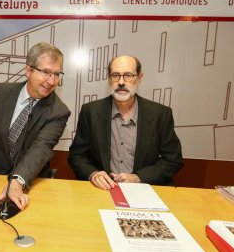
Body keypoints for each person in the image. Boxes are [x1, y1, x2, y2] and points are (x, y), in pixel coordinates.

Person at [0, 42, 71, 211]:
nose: (52, 81)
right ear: (28, 70)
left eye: (56, 74)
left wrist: (17, 182)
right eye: (46, 72)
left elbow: (41, 148)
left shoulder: (59, 111)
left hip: (28, 182)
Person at [68, 55, 183, 190]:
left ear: (139, 78)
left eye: (128, 75)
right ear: (109, 79)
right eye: (116, 75)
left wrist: (139, 177)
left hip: (144, 190)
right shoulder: (90, 111)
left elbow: (173, 159)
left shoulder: (160, 114)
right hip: (101, 190)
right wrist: (93, 174)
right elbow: (77, 155)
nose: (121, 82)